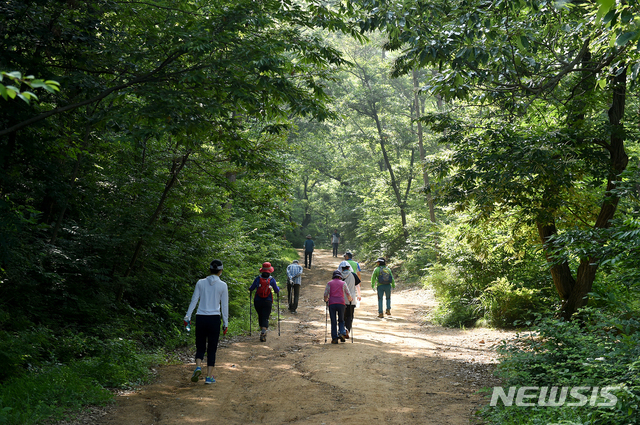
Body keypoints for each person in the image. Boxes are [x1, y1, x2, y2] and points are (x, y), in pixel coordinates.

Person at [184, 259, 229, 385]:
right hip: (214, 319)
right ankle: (209, 377)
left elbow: (194, 300)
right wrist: (225, 323)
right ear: (221, 271)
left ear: (209, 269)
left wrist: (187, 316)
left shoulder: (200, 283)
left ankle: (198, 366)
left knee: (200, 345)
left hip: (201, 317)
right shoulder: (223, 285)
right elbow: (224, 306)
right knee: (212, 348)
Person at [249, 262, 280, 342]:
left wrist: (250, 288)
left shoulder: (257, 279)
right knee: (265, 316)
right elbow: (276, 290)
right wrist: (278, 289)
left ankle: (262, 330)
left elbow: (252, 288)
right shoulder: (272, 280)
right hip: (268, 301)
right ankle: (263, 332)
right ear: (270, 270)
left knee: (260, 315)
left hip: (257, 301)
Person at [324, 269, 353, 344]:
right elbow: (348, 293)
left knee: (333, 321)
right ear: (340, 276)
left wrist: (326, 300)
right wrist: (350, 299)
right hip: (341, 303)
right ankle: (342, 333)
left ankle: (334, 338)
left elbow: (325, 294)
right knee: (341, 319)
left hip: (332, 303)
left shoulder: (329, 283)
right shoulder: (343, 283)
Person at [339, 261, 361, 339]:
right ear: (349, 267)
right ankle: (347, 330)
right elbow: (357, 286)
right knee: (349, 316)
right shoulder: (353, 275)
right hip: (351, 299)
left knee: (341, 317)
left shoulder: (338, 276)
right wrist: (359, 295)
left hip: (340, 299)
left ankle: (341, 331)